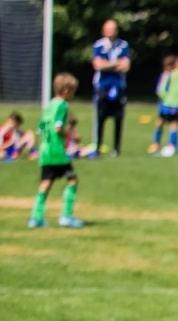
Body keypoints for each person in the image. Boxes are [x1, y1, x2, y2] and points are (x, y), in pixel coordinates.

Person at [29, 75, 84, 229]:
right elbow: (58, 127)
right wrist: (73, 136)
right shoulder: (62, 105)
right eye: (73, 91)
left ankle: (36, 218)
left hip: (45, 150)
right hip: (57, 151)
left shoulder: (49, 105)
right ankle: (66, 216)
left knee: (45, 183)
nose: (73, 95)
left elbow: (41, 128)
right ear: (66, 90)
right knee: (73, 180)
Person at [90, 19, 131, 157]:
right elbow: (97, 65)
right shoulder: (98, 45)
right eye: (108, 29)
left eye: (113, 29)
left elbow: (126, 66)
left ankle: (116, 149)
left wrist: (107, 64)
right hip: (102, 86)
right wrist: (116, 64)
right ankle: (97, 147)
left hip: (119, 86)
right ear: (103, 30)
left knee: (119, 118)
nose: (110, 32)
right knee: (100, 117)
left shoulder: (123, 45)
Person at [149, 56, 175, 154]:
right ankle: (156, 143)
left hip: (172, 104)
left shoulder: (175, 77)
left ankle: (172, 144)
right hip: (163, 104)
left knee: (173, 123)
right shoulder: (163, 76)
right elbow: (159, 90)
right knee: (159, 123)